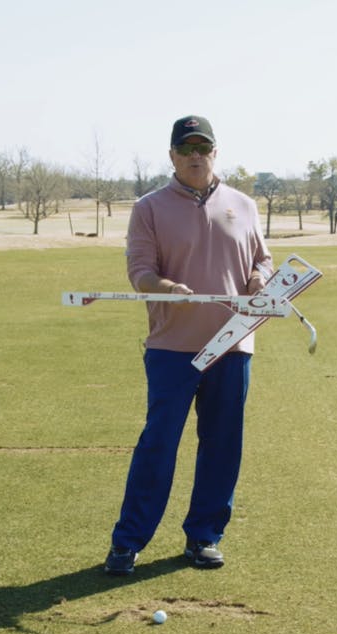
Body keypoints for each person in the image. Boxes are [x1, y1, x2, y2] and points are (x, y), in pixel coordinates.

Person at [104, 115, 272, 575]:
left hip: (233, 343)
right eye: (187, 149)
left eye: (204, 147)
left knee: (222, 445)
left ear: (215, 152)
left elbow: (262, 260)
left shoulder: (244, 204)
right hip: (171, 346)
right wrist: (162, 285)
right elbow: (139, 269)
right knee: (158, 443)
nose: (196, 156)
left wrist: (260, 278)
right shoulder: (150, 208)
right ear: (173, 155)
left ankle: (204, 537)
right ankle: (128, 542)